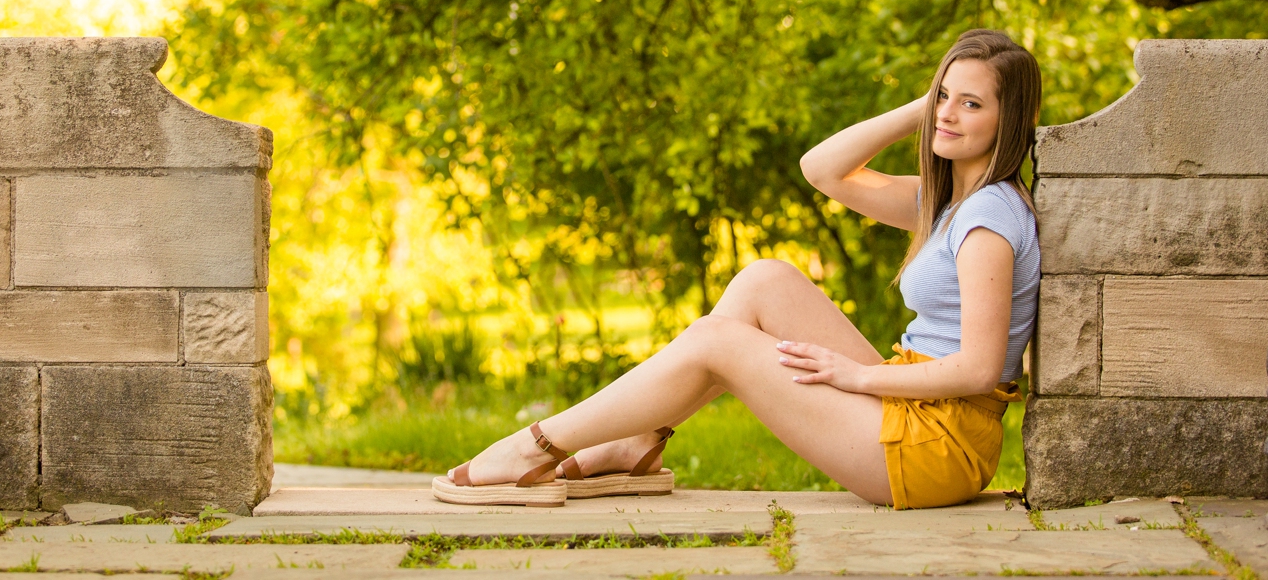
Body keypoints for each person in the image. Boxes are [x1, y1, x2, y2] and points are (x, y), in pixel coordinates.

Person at [432, 29, 1042, 510]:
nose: (949, 114)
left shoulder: (986, 219)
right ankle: (638, 442)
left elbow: (978, 368)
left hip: (936, 448)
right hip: (915, 413)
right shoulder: (947, 202)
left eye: (971, 104)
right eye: (945, 96)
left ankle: (534, 447)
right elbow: (823, 169)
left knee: (717, 342)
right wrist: (927, 104)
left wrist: (857, 378)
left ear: (1006, 120)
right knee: (765, 280)